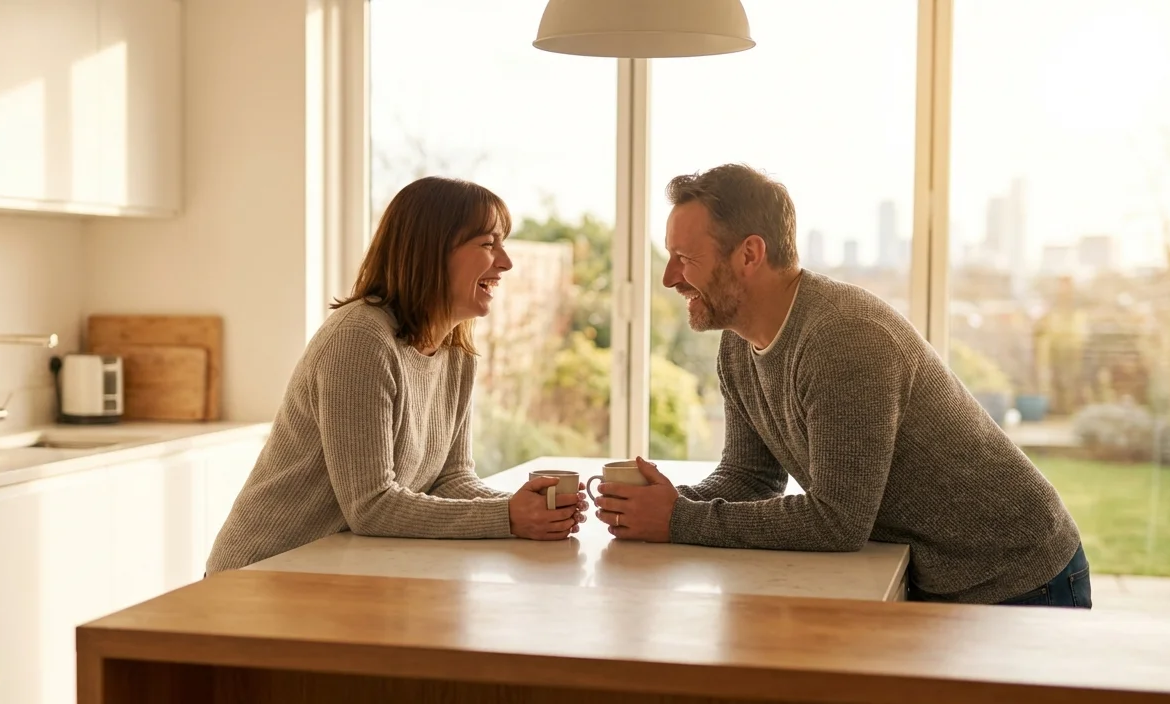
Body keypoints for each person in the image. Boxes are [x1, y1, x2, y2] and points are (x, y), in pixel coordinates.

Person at [592, 163, 1089, 608]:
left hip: (1020, 581)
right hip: (936, 578)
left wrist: (678, 520)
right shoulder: (738, 345)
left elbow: (836, 520)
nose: (668, 278)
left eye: (684, 257)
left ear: (749, 254)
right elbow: (749, 477)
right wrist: (663, 504)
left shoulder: (843, 338)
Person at [206, 177, 587, 573]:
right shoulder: (360, 338)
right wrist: (508, 516)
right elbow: (371, 506)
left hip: (338, 571)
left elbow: (450, 479)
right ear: (432, 251)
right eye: (488, 244)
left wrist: (526, 510)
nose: (506, 262)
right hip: (262, 576)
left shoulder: (456, 352)